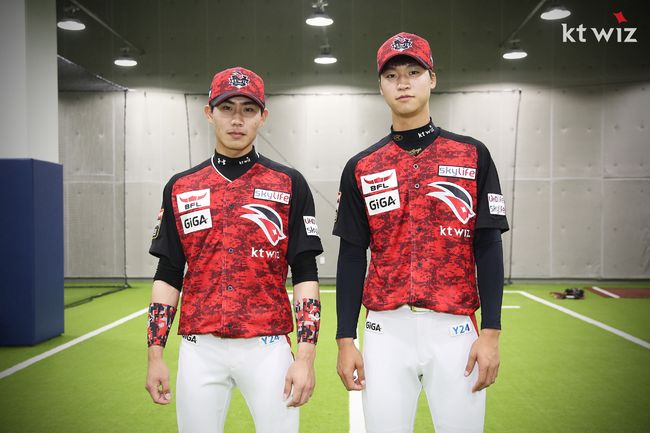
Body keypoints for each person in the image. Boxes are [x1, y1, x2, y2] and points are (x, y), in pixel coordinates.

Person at [333, 32, 509, 433]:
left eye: (414, 72)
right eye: (392, 75)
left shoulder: (472, 155)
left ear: (432, 78)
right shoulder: (362, 166)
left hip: (455, 330)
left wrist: (491, 332)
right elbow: (351, 255)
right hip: (385, 331)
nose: (403, 83)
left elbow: (488, 244)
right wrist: (346, 338)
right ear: (380, 86)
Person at [145, 66, 323, 433]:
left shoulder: (289, 183)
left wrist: (305, 356)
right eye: (227, 108)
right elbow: (168, 273)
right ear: (209, 113)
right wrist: (155, 354)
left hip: (268, 346)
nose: (237, 119)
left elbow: (305, 272)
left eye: (248, 109)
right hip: (200, 347)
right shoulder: (181, 187)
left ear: (263, 116)